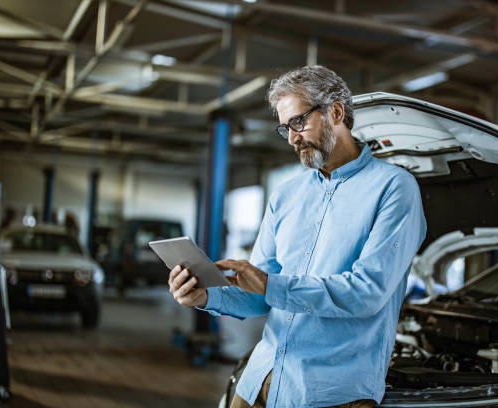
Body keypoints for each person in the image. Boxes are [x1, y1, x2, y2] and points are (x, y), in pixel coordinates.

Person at [168, 65, 427, 408]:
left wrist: (270, 285)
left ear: (335, 112)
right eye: (284, 128)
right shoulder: (286, 195)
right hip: (258, 381)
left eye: (298, 122)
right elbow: (258, 295)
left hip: (332, 393)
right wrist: (205, 296)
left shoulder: (394, 187)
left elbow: (368, 292)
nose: (291, 138)